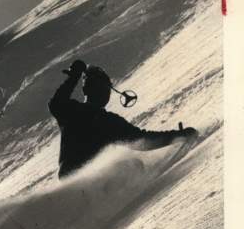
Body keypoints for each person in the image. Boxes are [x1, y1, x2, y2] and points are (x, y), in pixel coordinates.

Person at [49, 59, 196, 178]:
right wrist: (178, 136)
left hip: (68, 176)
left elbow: (56, 103)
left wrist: (73, 77)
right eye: (104, 88)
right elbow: (142, 141)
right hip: (89, 177)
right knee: (133, 165)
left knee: (129, 165)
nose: (106, 93)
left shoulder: (71, 110)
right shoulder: (107, 121)